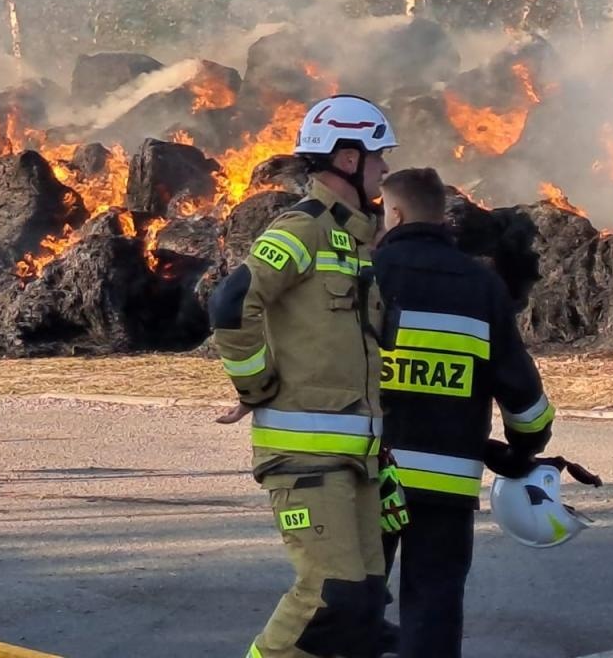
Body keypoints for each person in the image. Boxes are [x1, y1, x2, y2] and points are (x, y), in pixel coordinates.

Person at [212, 94, 401, 658]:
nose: (386, 169)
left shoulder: (360, 241)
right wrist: (256, 385)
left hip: (357, 456)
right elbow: (233, 300)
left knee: (364, 606)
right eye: (378, 156)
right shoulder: (304, 228)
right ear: (347, 159)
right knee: (329, 597)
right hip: (306, 457)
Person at [372, 166, 554, 658]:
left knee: (353, 598)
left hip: (369, 472)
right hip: (446, 482)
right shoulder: (480, 285)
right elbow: (523, 394)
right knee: (434, 603)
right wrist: (524, 448)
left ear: (394, 212)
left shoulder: (367, 274)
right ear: (443, 214)